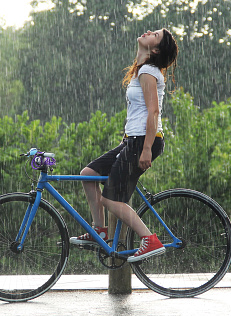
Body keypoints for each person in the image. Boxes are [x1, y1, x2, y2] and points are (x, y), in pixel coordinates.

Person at [70, 28, 179, 262]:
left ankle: (149, 239)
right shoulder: (141, 70)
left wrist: (147, 148)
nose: (149, 31)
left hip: (144, 141)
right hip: (133, 139)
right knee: (88, 174)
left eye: (155, 34)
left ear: (156, 49)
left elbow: (153, 111)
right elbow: (138, 113)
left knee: (111, 200)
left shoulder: (148, 71)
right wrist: (127, 140)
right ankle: (99, 231)